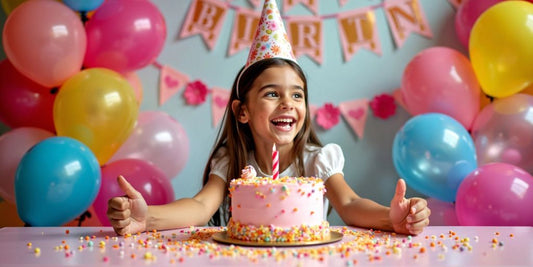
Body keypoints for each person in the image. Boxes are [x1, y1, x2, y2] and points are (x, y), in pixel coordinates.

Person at [107, 0, 430, 236]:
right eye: (272, 94)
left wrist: (392, 218)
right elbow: (201, 207)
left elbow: (349, 204)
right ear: (241, 111)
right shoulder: (231, 160)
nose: (288, 103)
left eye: (297, 94)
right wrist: (147, 218)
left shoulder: (317, 160)